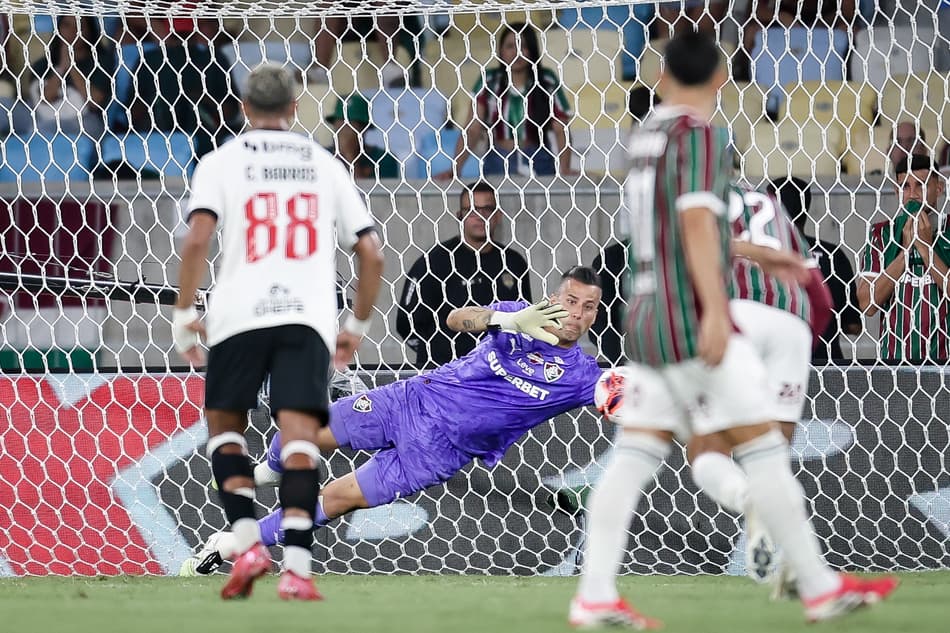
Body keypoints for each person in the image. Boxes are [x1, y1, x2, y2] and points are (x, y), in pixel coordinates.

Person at [570, 30, 896, 629]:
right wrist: (718, 311)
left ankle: (592, 595)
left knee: (635, 454)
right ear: (722, 76)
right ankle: (820, 588)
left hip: (644, 311)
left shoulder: (646, 137)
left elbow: (679, 222)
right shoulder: (703, 135)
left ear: (663, 73)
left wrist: (759, 255)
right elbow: (695, 225)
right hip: (690, 318)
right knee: (765, 448)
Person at [180, 267, 604, 574]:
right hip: (410, 400)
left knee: (336, 499)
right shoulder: (517, 317)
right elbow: (456, 319)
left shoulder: (582, 376)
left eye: (589, 307)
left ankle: (235, 541)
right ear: (553, 299)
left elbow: (627, 399)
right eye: (570, 301)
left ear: (595, 315)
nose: (577, 313)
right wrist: (505, 319)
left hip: (436, 454)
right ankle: (267, 472)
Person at [171, 63, 384, 601]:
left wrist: (183, 314)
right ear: (295, 108)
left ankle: (245, 543)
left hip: (240, 313)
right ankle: (297, 568)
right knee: (298, 441)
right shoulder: (325, 163)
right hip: (307, 318)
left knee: (226, 428)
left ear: (244, 108)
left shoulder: (220, 162)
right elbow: (370, 251)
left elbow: (196, 240)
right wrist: (356, 324)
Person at [396, 181, 532, 367]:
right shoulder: (435, 261)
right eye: (472, 209)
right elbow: (407, 322)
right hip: (447, 375)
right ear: (460, 216)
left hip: (498, 376)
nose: (480, 216)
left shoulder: (513, 262)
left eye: (487, 209)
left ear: (498, 215)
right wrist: (435, 354)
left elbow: (525, 318)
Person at [438, 22, 576, 179]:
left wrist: (565, 169)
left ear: (532, 51)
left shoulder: (546, 79)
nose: (517, 52)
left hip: (539, 159)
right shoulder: (489, 80)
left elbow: (561, 128)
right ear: (501, 52)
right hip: (498, 159)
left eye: (523, 45)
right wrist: (455, 169)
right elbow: (472, 129)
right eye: (510, 46)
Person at [857, 154, 950, 362]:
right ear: (897, 191)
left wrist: (926, 249)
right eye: (905, 187)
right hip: (894, 365)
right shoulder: (881, 234)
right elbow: (867, 304)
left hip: (944, 366)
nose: (913, 194)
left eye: (921, 184)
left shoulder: (948, 229)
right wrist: (905, 253)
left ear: (939, 188)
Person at [770, 176, 862, 362]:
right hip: (826, 366)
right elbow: (853, 326)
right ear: (807, 208)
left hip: (775, 365)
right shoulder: (833, 255)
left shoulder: (762, 258)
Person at [28, 16, 114, 139]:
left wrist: (72, 67)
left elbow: (94, 102)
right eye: (67, 25)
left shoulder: (101, 62)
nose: (73, 31)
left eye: (80, 26)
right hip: (45, 116)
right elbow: (45, 99)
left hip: (87, 120)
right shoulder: (42, 65)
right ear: (58, 29)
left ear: (89, 31)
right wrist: (62, 67)